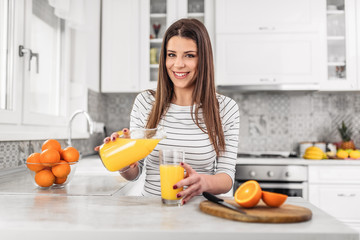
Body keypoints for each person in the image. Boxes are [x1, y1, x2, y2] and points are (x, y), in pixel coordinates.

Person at [95, 18, 239, 204]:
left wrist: (202, 182)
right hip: (152, 212)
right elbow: (134, 173)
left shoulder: (225, 108)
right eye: (171, 55)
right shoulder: (145, 103)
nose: (178, 64)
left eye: (189, 55)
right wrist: (123, 161)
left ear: (203, 59)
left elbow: (226, 178)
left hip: (201, 212)